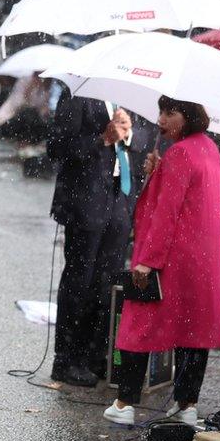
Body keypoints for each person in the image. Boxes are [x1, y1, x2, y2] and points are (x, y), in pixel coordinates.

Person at [104, 96, 220, 426]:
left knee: (137, 325)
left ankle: (124, 403)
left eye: (170, 113)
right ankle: (187, 405)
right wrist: (156, 174)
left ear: (188, 117)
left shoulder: (180, 153)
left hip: (170, 258)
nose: (161, 119)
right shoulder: (208, 149)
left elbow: (165, 214)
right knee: (193, 330)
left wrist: (147, 260)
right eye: (161, 111)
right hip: (201, 260)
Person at [48, 90, 155, 387]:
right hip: (85, 201)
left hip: (120, 200)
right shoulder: (80, 95)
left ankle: (96, 354)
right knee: (80, 279)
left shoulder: (135, 99)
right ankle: (67, 358)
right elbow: (56, 147)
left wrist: (129, 135)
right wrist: (102, 139)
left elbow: (146, 139)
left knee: (108, 282)